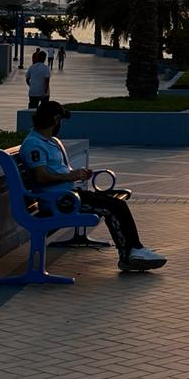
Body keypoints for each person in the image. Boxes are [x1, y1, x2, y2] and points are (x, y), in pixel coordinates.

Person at [19, 100, 167, 273]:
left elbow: (53, 172)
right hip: (60, 202)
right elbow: (41, 178)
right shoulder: (34, 144)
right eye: (60, 120)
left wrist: (78, 174)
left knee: (115, 203)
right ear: (55, 119)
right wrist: (71, 176)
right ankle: (130, 254)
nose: (60, 125)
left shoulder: (48, 141)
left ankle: (134, 251)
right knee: (114, 206)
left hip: (68, 196)